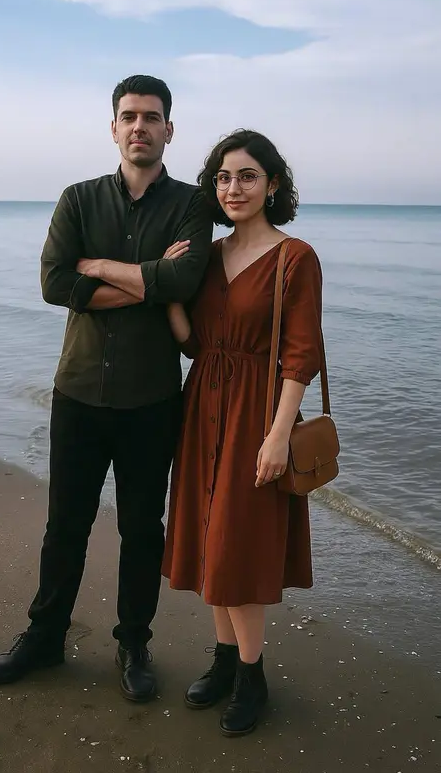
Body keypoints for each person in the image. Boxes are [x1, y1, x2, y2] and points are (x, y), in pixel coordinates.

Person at [0, 74, 213, 702]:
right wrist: (149, 278)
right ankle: (44, 636)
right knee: (66, 525)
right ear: (113, 127)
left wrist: (105, 269)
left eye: (152, 117)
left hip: (152, 399)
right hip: (79, 392)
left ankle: (134, 642)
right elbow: (56, 284)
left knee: (143, 529)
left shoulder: (194, 204)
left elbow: (186, 280)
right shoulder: (78, 199)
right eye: (129, 116)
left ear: (170, 129)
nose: (140, 126)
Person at [162, 129, 323, 736]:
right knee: (210, 539)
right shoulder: (209, 254)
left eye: (248, 176)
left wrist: (279, 435)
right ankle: (226, 661)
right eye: (224, 177)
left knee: (239, 543)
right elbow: (196, 344)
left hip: (259, 410)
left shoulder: (294, 257)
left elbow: (300, 355)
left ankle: (253, 677)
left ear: (273, 185)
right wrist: (166, 291)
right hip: (202, 402)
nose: (234, 188)